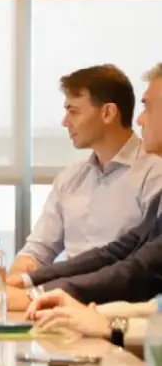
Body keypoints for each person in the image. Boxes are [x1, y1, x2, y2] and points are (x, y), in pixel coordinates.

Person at [15, 63, 162, 308]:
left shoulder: (154, 173)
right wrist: (25, 281)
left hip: (108, 303)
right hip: (75, 301)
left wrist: (38, 293)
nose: (140, 119)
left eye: (74, 112)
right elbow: (114, 252)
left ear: (108, 113)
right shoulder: (70, 177)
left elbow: (139, 270)